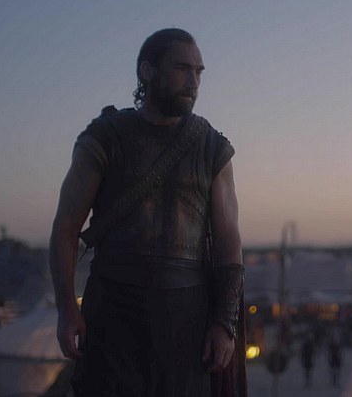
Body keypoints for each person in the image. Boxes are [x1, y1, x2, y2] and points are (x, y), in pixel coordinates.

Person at [49, 28, 244, 396]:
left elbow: (228, 240)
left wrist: (224, 322)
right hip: (113, 313)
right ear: (147, 70)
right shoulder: (105, 138)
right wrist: (66, 309)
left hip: (186, 318)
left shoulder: (211, 147)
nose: (193, 82)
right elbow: (66, 228)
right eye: (182, 69)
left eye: (199, 72)